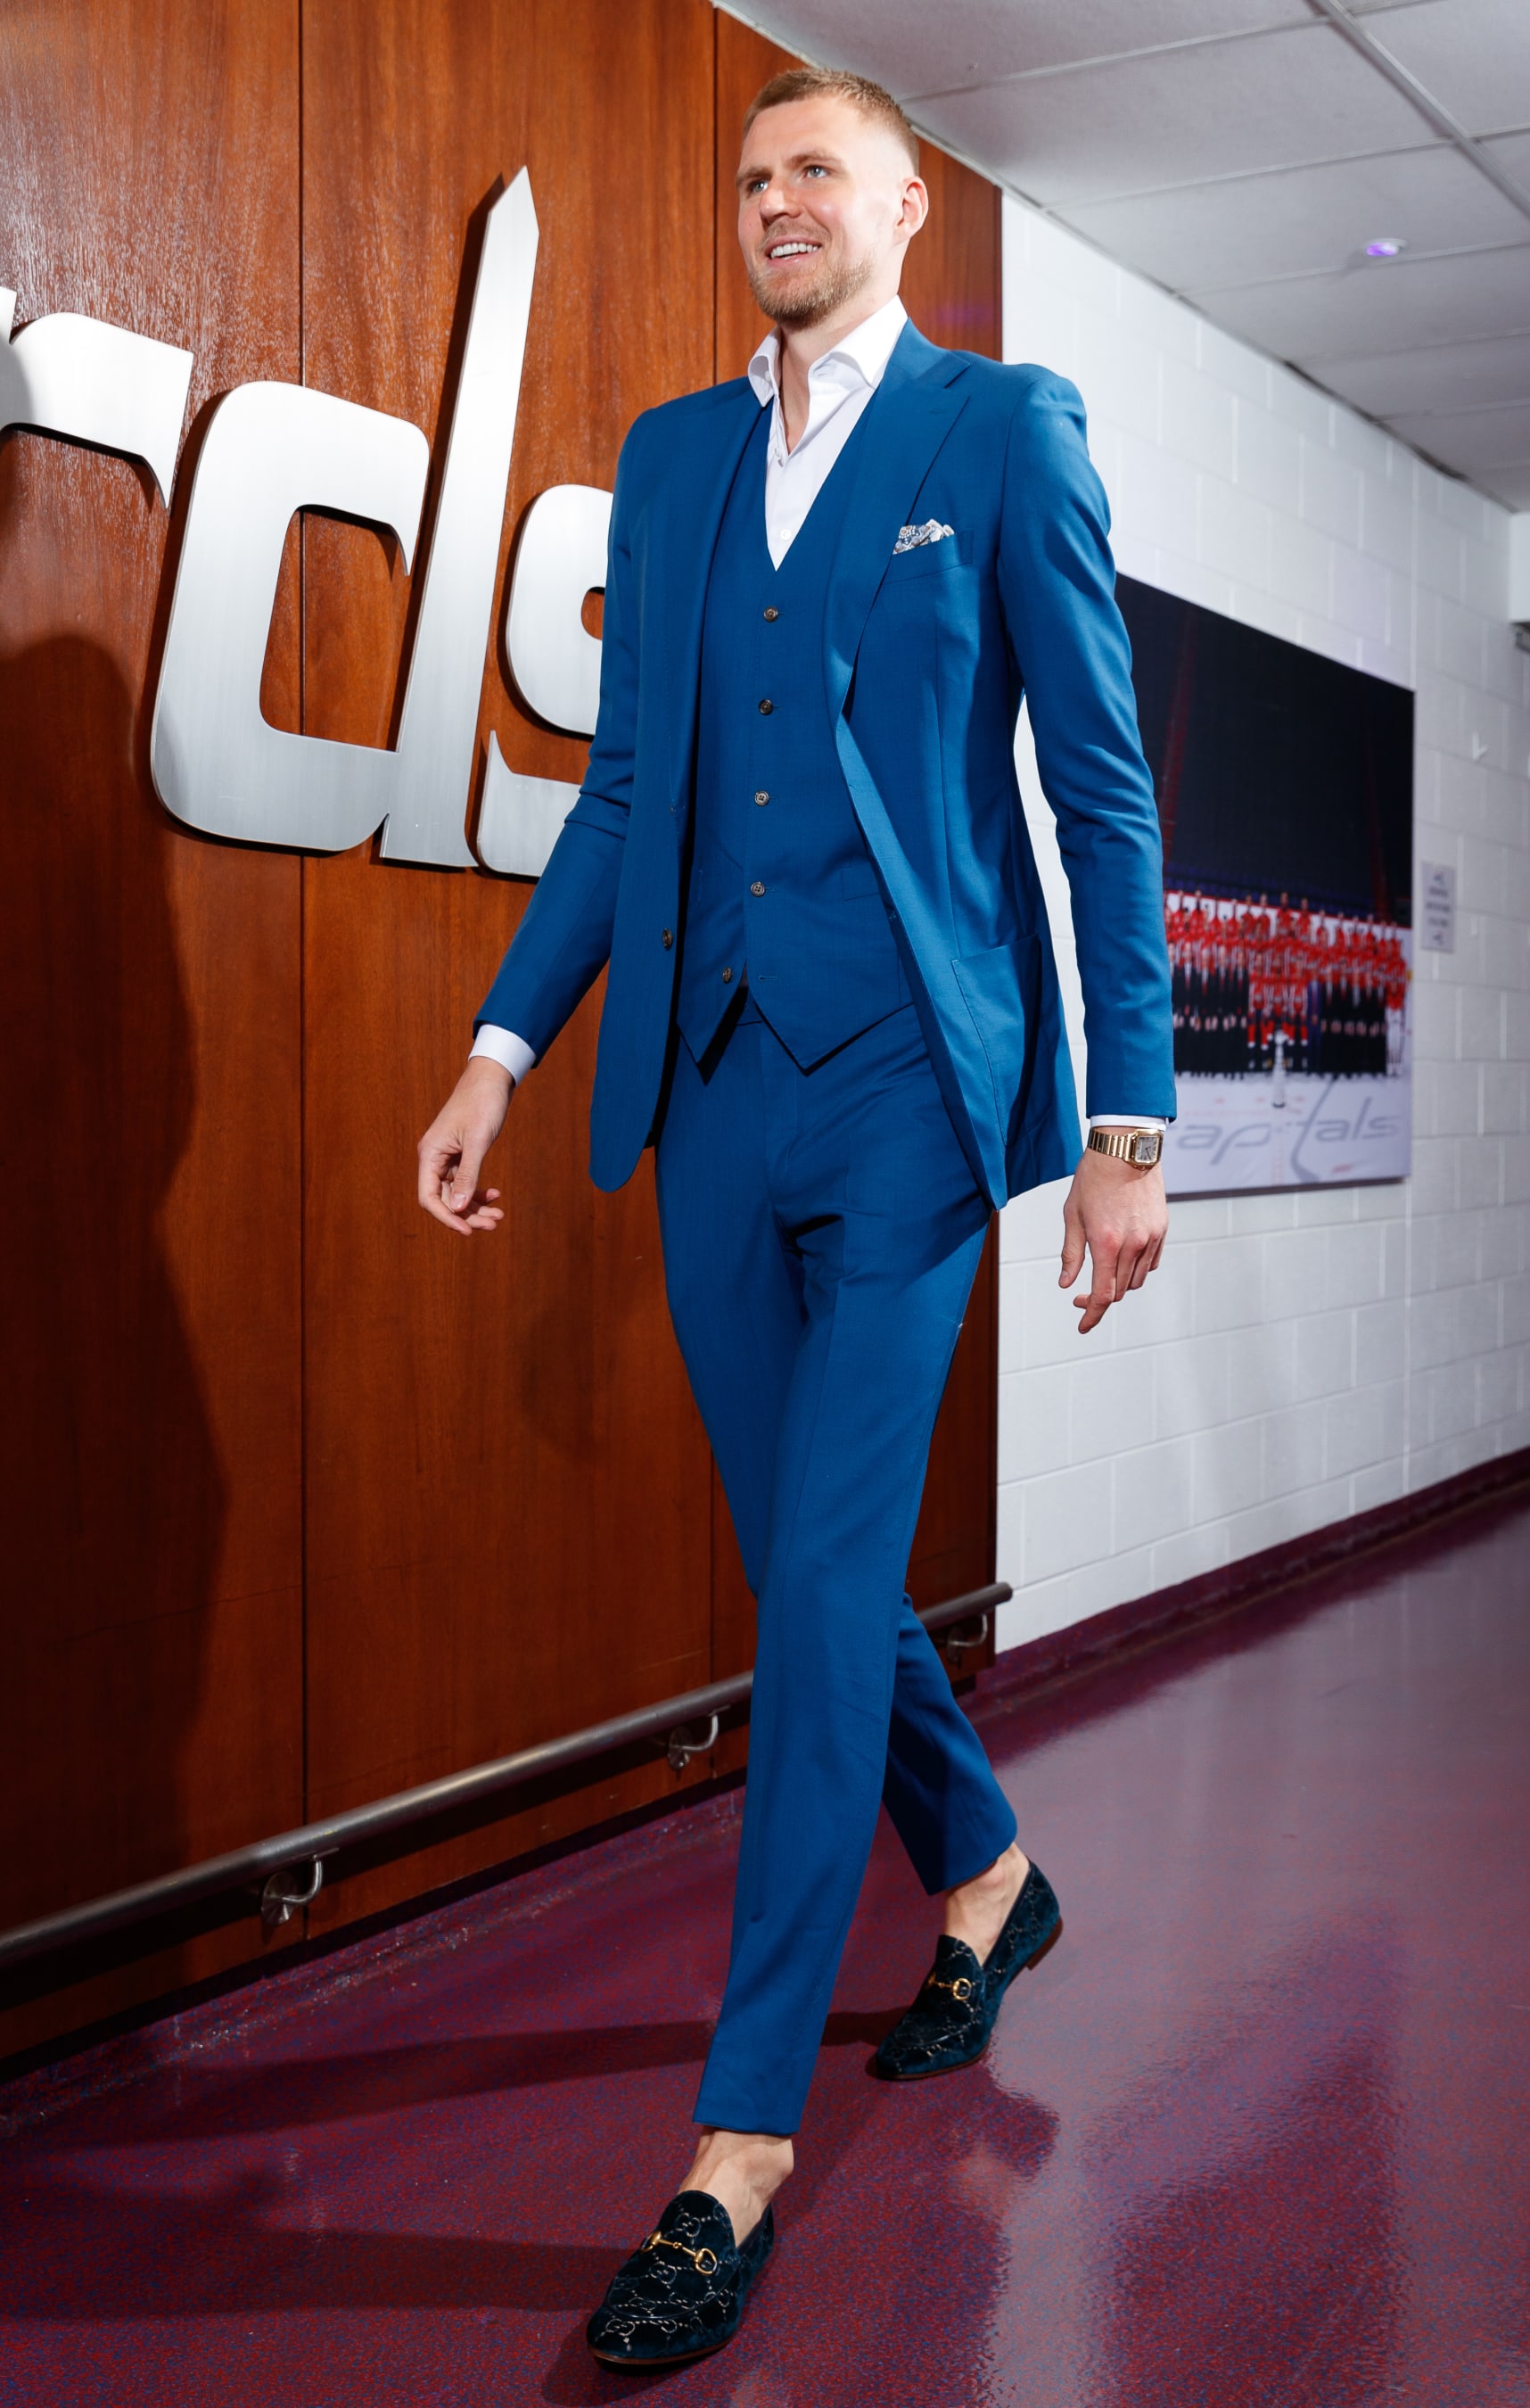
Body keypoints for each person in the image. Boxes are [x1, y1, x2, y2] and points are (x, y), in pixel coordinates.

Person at [416, 65, 1174, 2369]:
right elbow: (627, 788)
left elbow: (1103, 793)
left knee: (826, 1591)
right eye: (751, 178)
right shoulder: (670, 461)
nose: (776, 202)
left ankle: (734, 2149)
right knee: (807, 1569)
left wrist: (1130, 1122)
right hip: (713, 1095)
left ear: (905, 206)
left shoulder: (999, 433)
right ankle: (992, 1874)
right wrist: (502, 1047)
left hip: (913, 1098)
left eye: (815, 170)